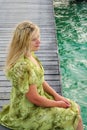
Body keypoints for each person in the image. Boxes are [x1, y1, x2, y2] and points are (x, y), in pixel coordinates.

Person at [0, 21, 84, 130]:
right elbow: (34, 99)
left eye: (38, 37)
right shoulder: (23, 66)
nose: (39, 42)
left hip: (40, 97)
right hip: (28, 111)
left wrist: (56, 95)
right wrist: (57, 104)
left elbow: (40, 80)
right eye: (34, 39)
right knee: (74, 118)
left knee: (75, 107)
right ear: (23, 42)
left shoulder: (31, 55)